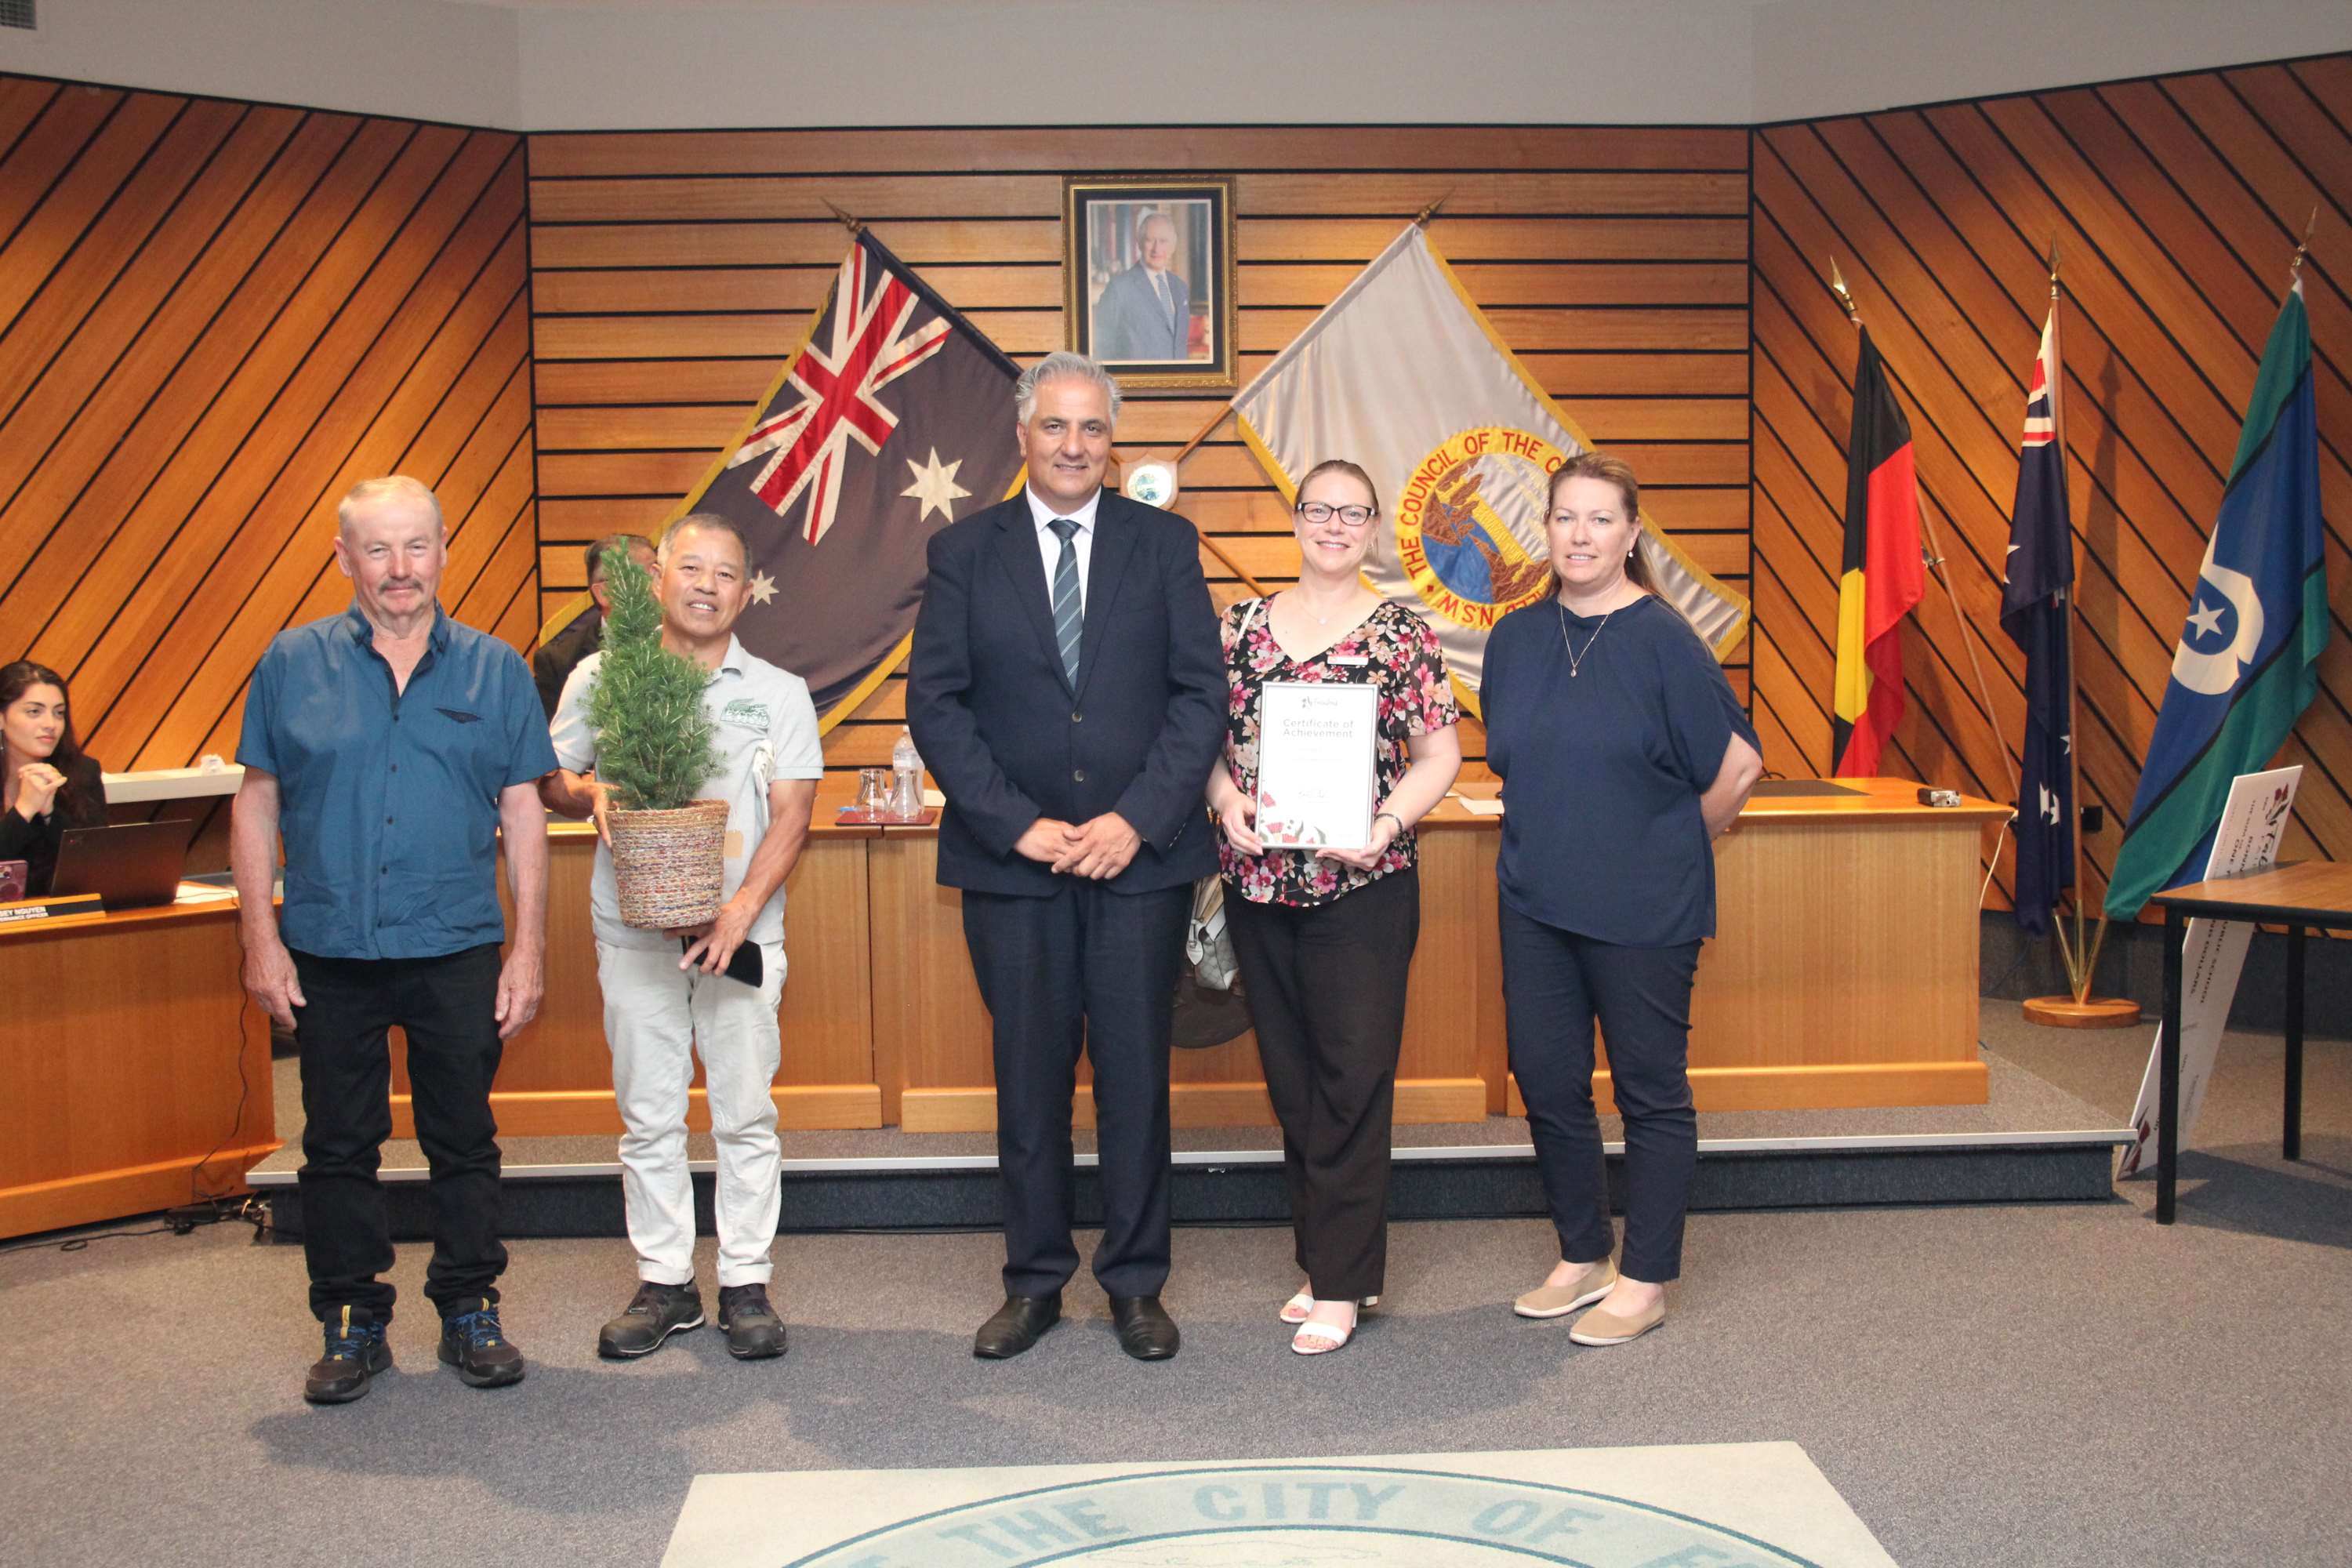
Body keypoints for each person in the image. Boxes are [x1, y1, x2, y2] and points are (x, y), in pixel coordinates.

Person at [907, 350, 1225, 1362]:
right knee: (1029, 1082)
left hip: (1141, 862)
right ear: (1022, 436)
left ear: (1111, 441)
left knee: (1136, 1080)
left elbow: (1200, 696)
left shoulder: (1166, 545)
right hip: (1015, 869)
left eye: (1092, 429)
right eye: (1056, 427)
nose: (1074, 445)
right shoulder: (964, 551)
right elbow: (937, 706)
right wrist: (1016, 823)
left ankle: (1136, 1283)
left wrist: (1137, 818)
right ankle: (1034, 1281)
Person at [232, 474, 557, 1404]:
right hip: (329, 946)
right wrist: (263, 938)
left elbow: (522, 809)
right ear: (345, 559)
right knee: (337, 1143)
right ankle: (350, 1318)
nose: (400, 567)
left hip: (456, 943)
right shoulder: (291, 663)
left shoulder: (495, 668)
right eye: (378, 549)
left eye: (416, 546)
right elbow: (256, 806)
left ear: (443, 551)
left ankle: (468, 1306)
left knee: (465, 1138)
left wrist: (526, 947)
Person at [1481, 452, 1762, 1348]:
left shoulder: (1662, 638)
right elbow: (1516, 757)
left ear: (1632, 534)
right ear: (1547, 528)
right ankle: (1582, 1252)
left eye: (1601, 519)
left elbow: (1739, 764)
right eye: (1566, 517)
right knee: (1550, 1080)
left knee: (1649, 1089)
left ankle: (1644, 1279)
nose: (1581, 535)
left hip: (1644, 906)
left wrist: (1679, 839)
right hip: (1535, 899)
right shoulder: (1518, 636)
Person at [542, 514, 822, 1363]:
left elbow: (794, 812)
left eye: (725, 572)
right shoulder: (602, 676)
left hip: (741, 935)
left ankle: (745, 1282)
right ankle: (665, 1282)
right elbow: (550, 776)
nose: (706, 584)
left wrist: (738, 910)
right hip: (633, 934)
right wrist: (586, 792)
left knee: (745, 1114)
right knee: (650, 1115)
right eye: (690, 567)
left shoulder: (778, 691)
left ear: (746, 590)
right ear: (657, 577)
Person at [1205, 461, 1462, 1356]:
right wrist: (1224, 799)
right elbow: (1207, 742)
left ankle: (1343, 1284)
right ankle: (1325, 1262)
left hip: (1364, 884)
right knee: (1294, 1081)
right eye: (1320, 509)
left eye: (1354, 513)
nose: (1335, 525)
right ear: (1296, 518)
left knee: (1353, 1078)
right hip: (1260, 885)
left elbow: (1440, 755)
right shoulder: (1237, 626)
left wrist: (1388, 817)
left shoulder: (1402, 633)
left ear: (1374, 526)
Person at [0, 661, 107, 898]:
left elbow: (96, 867)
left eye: (59, 713)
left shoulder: (83, 772)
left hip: (60, 918)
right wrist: (23, 811)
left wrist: (51, 815)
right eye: (34, 712)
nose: (51, 724)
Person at [534, 534, 659, 720]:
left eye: (660, 576)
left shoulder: (692, 644)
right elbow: (551, 744)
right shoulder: (561, 662)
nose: (658, 588)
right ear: (604, 593)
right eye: (643, 578)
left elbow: (719, 714)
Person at [1091, 210, 1192, 363]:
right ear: (1139, 242)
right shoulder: (1119, 288)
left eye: (1163, 241)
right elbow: (1103, 348)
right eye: (1150, 240)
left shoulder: (1180, 287)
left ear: (1173, 246)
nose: (1156, 249)